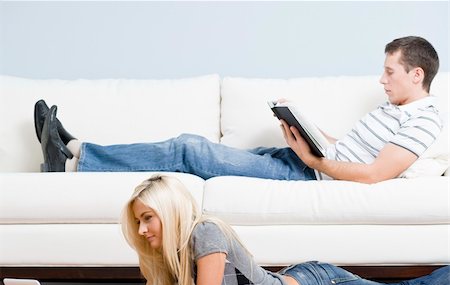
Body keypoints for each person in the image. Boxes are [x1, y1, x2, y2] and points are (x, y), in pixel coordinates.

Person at [35, 36, 443, 183]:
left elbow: (374, 174)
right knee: (190, 155)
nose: (382, 79)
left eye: (390, 72)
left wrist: (310, 159)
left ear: (416, 74)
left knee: (188, 149)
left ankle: (74, 161)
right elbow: (352, 148)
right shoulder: (391, 108)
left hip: (308, 175)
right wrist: (309, 131)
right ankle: (75, 150)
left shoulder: (424, 118)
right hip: (303, 162)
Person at [55, 174, 450, 285]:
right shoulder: (169, 254)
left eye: (148, 218)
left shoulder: (204, 232)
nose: (141, 230)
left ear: (171, 213)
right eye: (138, 220)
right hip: (299, 282)